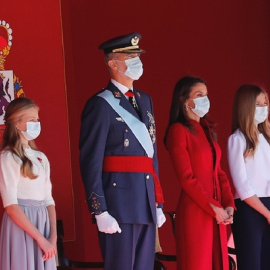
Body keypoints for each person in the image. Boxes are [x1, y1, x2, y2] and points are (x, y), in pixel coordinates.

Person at [79, 32, 166, 270]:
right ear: (112, 63)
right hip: (118, 206)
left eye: (137, 55)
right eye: (130, 56)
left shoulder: (145, 100)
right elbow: (91, 162)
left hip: (145, 201)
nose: (137, 60)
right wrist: (100, 210)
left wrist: (157, 202)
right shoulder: (99, 104)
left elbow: (151, 156)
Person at [164, 76, 235, 270]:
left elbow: (218, 172)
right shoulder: (178, 131)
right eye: (199, 94)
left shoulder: (206, 129)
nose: (205, 99)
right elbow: (187, 178)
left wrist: (228, 204)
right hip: (196, 211)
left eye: (206, 94)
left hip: (217, 212)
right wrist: (213, 207)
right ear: (184, 100)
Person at [0, 97, 57, 270]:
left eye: (37, 120)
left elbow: (49, 199)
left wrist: (52, 238)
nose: (37, 124)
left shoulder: (41, 157)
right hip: (22, 226)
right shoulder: (8, 157)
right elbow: (10, 205)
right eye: (32, 120)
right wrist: (40, 239)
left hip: (43, 224)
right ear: (16, 123)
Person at [227, 84, 270, 270]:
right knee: (252, 263)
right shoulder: (237, 139)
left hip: (268, 206)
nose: (263, 108)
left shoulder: (267, 138)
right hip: (250, 209)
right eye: (257, 104)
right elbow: (243, 185)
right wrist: (267, 213)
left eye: (265, 103)